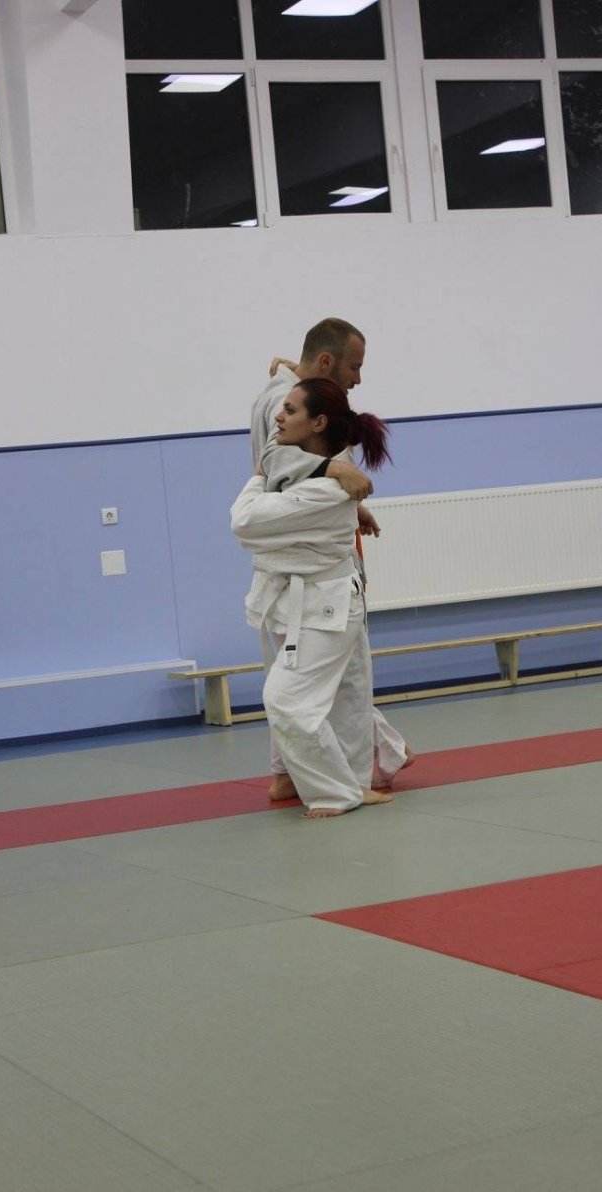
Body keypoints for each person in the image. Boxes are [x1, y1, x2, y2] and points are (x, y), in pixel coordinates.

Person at [251, 317, 412, 800]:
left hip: (290, 567)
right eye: (353, 367)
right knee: (345, 681)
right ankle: (358, 778)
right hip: (316, 577)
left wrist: (350, 504)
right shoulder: (286, 403)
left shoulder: (283, 392)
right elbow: (277, 461)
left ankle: (290, 772)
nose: (357, 379)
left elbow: (284, 471)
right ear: (325, 361)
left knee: (295, 681)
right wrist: (336, 469)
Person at [232, 378, 394, 817]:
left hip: (328, 604)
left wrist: (260, 477)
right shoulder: (312, 470)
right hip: (312, 601)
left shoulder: (321, 488)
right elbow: (277, 452)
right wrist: (326, 469)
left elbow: (244, 521)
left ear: (318, 422)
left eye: (290, 410)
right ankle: (353, 785)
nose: (278, 417)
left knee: (293, 700)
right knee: (343, 698)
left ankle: (339, 791)